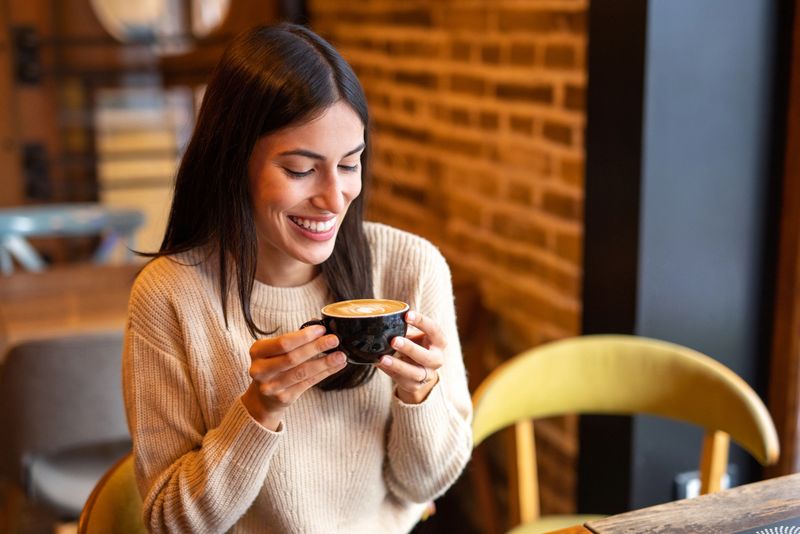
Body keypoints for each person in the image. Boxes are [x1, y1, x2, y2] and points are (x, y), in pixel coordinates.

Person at [122, 22, 472, 533]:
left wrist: (419, 393)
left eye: (350, 164)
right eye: (301, 170)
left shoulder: (411, 268)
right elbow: (171, 524)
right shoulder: (170, 296)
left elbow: (424, 487)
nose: (334, 198)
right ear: (231, 163)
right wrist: (260, 409)